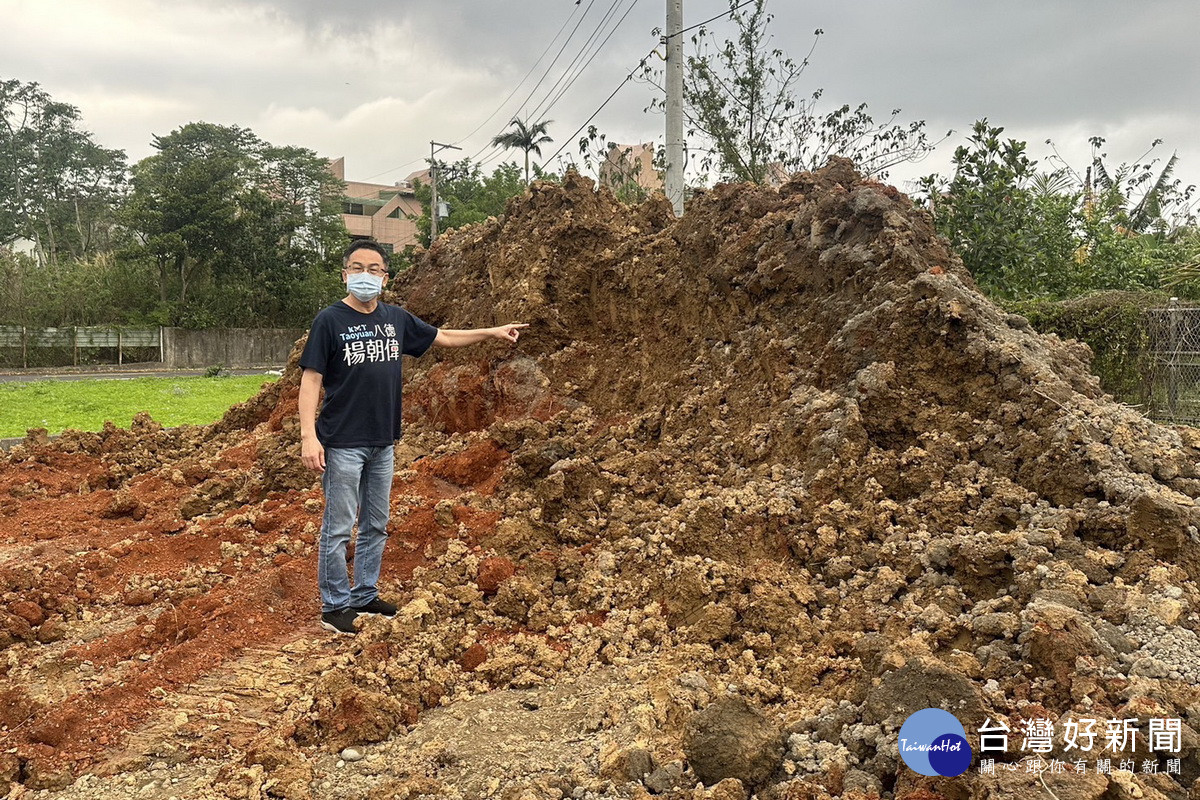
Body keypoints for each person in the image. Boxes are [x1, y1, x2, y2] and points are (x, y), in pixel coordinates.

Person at [298, 239, 526, 635]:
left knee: (375, 523)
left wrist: (491, 331)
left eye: (374, 269)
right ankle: (334, 607)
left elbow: (445, 337)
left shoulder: (395, 319)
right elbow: (311, 379)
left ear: (385, 277)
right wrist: (308, 437)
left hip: (383, 441)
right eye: (357, 268)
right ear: (344, 274)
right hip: (342, 442)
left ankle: (364, 595)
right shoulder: (329, 321)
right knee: (337, 527)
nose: (365, 276)